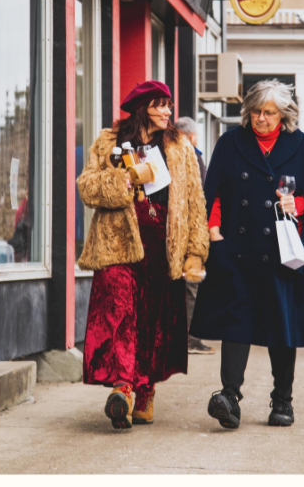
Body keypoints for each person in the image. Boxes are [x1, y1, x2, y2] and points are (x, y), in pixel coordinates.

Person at [190, 80, 304, 429]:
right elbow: (215, 194)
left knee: (283, 328)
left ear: (283, 114)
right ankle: (229, 396)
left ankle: (282, 400)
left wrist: (294, 203)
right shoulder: (230, 143)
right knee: (236, 324)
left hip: (283, 255)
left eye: (268, 112)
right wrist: (214, 234)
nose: (260, 118)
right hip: (238, 251)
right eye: (255, 111)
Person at [77, 81, 209, 429]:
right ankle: (122, 387)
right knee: (119, 314)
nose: (168, 112)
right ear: (143, 108)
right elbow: (86, 186)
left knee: (154, 321)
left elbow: (196, 203)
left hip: (164, 246)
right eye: (161, 105)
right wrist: (117, 183)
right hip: (117, 242)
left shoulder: (180, 147)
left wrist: (195, 252)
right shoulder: (110, 141)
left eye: (169, 105)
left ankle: (145, 391)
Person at [174, 116, 214, 356]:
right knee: (191, 285)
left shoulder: (177, 153)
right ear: (191, 135)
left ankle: (187, 336)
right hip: (190, 231)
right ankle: (189, 337)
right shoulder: (189, 155)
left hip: (185, 230)